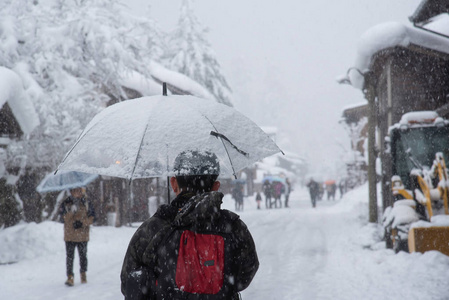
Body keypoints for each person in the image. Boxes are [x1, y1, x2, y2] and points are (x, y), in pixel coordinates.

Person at [120, 150, 259, 300]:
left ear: (174, 183)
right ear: (216, 186)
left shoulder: (152, 229)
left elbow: (129, 281)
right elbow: (246, 273)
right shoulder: (233, 226)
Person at [58, 187, 96, 286]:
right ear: (71, 192)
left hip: (82, 235)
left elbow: (92, 218)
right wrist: (71, 212)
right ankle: (70, 276)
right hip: (69, 235)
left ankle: (83, 274)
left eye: (78, 190)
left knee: (83, 256)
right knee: (70, 257)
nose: (77, 193)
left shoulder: (86, 202)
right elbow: (62, 218)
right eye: (74, 191)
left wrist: (82, 223)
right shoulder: (66, 203)